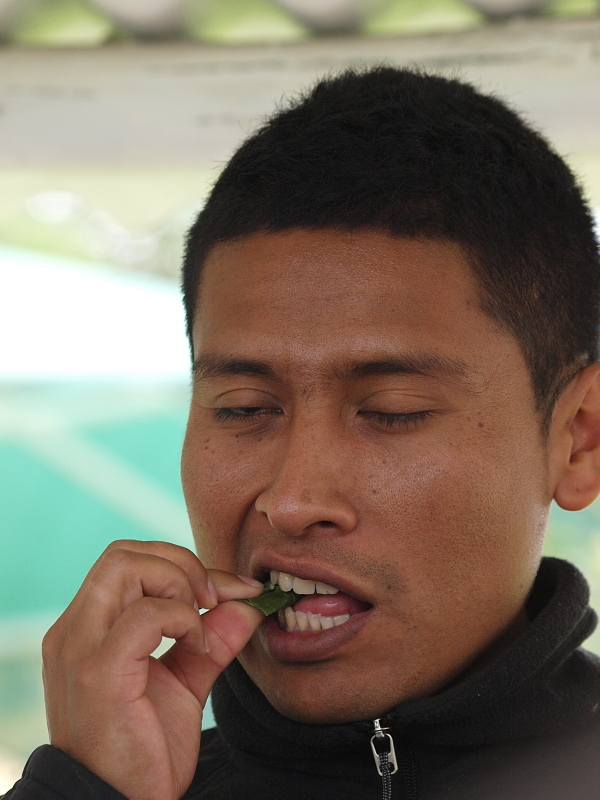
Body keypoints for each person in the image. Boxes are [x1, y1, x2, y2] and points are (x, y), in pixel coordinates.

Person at [5, 66, 600, 800]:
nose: (291, 501)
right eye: (243, 408)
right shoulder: (112, 788)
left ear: (579, 440)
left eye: (392, 410)